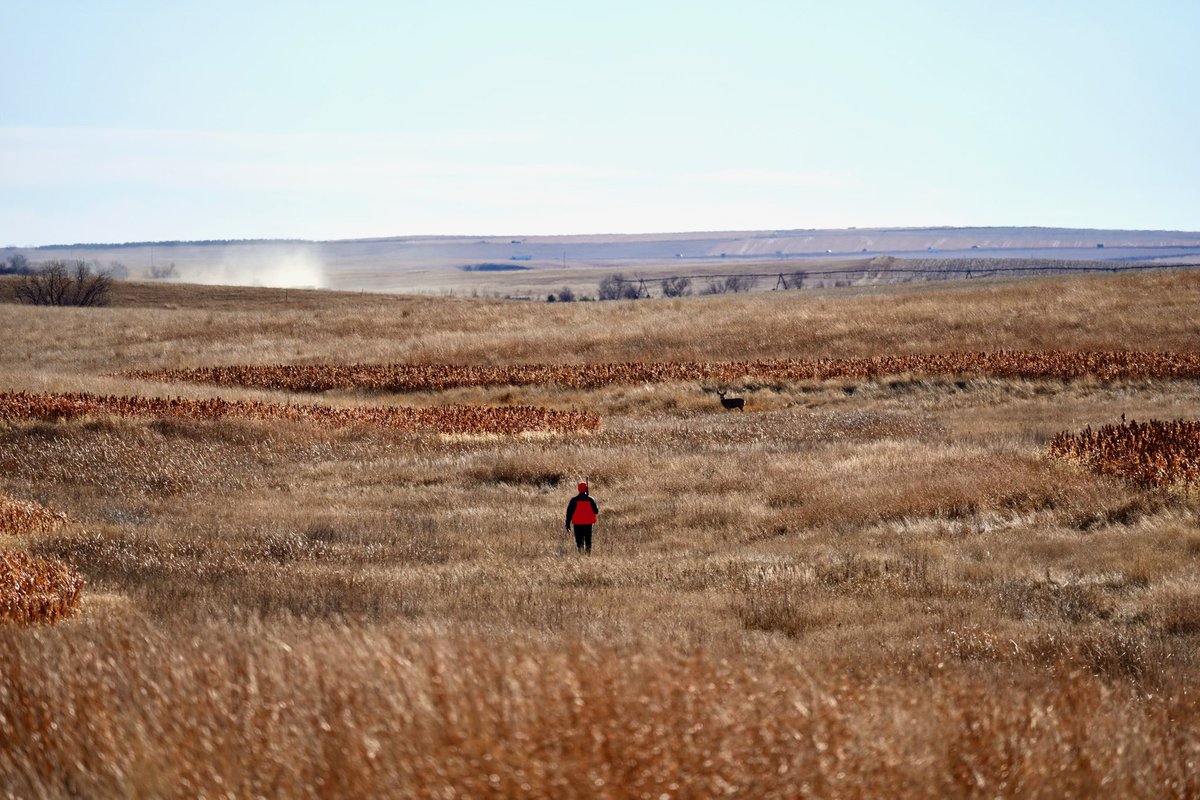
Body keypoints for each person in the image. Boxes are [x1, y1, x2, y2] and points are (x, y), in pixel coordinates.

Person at [564, 482, 599, 554]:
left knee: (579, 540)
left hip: (577, 523)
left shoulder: (573, 500)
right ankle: (588, 555)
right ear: (586, 489)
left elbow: (569, 513)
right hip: (588, 524)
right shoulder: (591, 499)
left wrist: (567, 524)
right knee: (588, 540)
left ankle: (580, 554)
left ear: (578, 489)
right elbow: (596, 511)